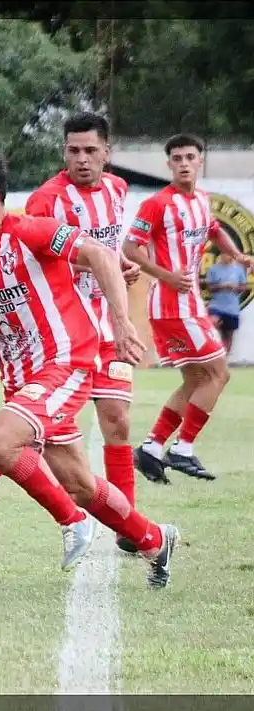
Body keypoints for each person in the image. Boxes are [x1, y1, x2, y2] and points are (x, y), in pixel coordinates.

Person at [0, 152, 178, 588]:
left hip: (66, 363)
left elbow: (98, 253)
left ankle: (72, 522)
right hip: (21, 380)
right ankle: (155, 539)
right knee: (78, 482)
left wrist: (120, 323)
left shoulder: (31, 231)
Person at [0, 112, 143, 555]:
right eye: (73, 150)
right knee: (38, 439)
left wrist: (118, 264)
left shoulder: (118, 190)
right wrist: (100, 260)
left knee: (117, 422)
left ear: (107, 153)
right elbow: (41, 255)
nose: (82, 159)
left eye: (90, 150)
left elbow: (108, 248)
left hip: (105, 324)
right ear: (64, 152)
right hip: (65, 331)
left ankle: (128, 532)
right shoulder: (46, 200)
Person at [123, 134, 254, 482]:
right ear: (169, 164)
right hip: (174, 306)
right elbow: (131, 248)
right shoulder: (156, 204)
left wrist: (238, 255)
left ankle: (151, 449)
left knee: (197, 378)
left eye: (189, 157)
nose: (183, 163)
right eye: (177, 157)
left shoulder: (201, 201)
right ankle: (183, 450)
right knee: (219, 374)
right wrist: (165, 276)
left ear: (199, 162)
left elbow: (213, 230)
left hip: (185, 305)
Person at [205, 250, 249, 355]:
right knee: (212, 324)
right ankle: (211, 351)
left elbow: (243, 287)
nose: (226, 256)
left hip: (232, 308)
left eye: (229, 254)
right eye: (224, 254)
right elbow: (210, 288)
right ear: (221, 255)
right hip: (217, 305)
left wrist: (235, 287)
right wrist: (222, 286)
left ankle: (224, 356)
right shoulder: (213, 269)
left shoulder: (238, 270)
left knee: (228, 335)